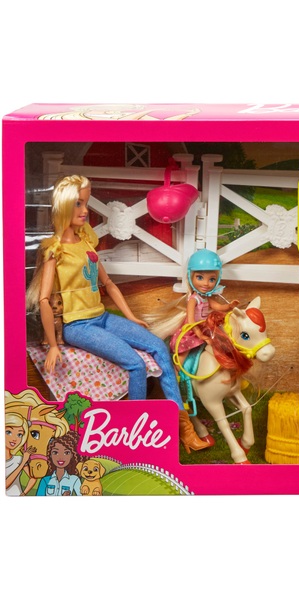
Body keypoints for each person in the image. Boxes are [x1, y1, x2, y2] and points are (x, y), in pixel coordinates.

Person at [26, 174, 209, 452]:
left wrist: (130, 316)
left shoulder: (86, 242)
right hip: (79, 326)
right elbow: (43, 299)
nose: (84, 211)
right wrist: (53, 344)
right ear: (63, 207)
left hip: (102, 317)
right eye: (78, 204)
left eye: (86, 203)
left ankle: (182, 426)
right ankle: (135, 429)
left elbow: (108, 283)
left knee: (159, 347)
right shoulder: (55, 250)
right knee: (135, 364)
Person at [36, 432, 82, 496]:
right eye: (55, 452)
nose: (61, 457)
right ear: (50, 455)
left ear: (72, 455)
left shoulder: (74, 480)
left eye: (66, 453)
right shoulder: (45, 480)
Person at [5, 412, 35, 496]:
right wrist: (22, 463)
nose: (14, 439)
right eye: (8, 432)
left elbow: (33, 478)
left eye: (19, 434)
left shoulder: (19, 459)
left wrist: (24, 493)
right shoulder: (22, 460)